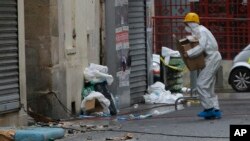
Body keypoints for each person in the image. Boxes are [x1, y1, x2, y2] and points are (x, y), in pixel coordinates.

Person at [183, 12, 222, 119]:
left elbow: (201, 47)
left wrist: (189, 53)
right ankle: (216, 109)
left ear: (192, 23)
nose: (186, 26)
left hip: (212, 58)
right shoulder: (200, 30)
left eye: (187, 23)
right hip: (212, 58)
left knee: (201, 84)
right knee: (209, 86)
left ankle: (209, 109)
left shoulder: (201, 31)